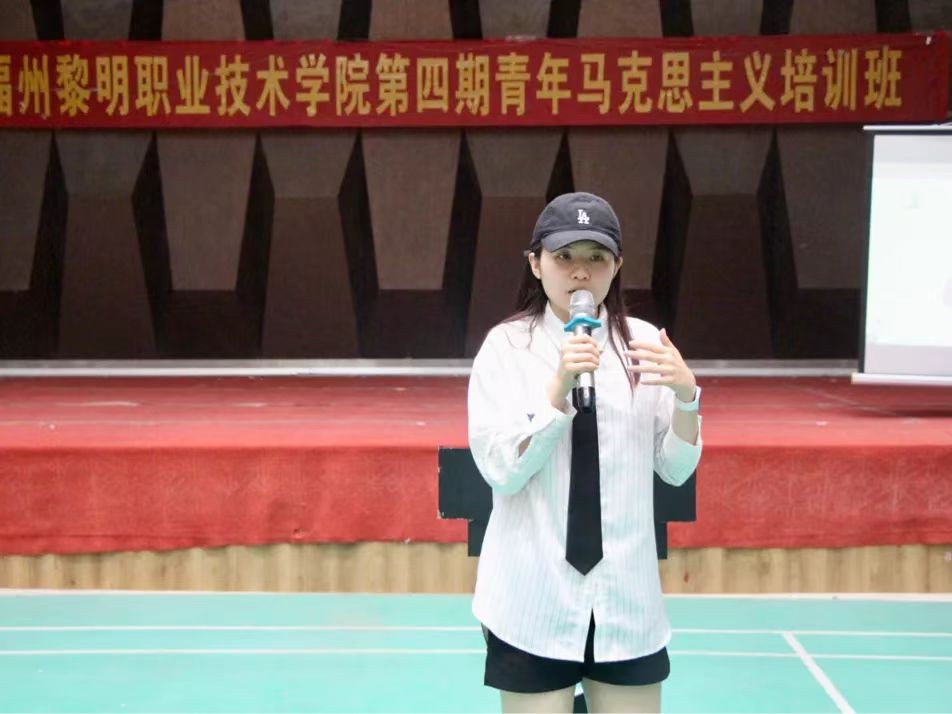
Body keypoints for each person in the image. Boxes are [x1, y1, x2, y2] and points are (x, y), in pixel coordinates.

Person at [468, 192, 702, 713]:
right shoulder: (506, 349)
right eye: (564, 256)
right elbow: (501, 471)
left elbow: (676, 468)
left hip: (626, 600)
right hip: (532, 598)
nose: (580, 272)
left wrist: (687, 397)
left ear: (616, 267)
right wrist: (559, 390)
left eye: (596, 257)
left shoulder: (645, 345)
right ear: (536, 263)